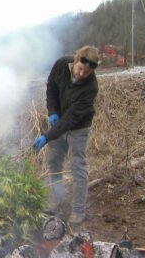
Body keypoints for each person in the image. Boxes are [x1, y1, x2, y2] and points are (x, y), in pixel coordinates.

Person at [33, 45, 99, 224]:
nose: (81, 75)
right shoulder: (61, 65)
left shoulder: (91, 87)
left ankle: (78, 210)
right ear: (75, 60)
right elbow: (51, 87)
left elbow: (70, 119)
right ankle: (57, 201)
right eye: (80, 69)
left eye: (87, 72)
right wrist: (53, 110)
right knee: (54, 162)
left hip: (78, 128)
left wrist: (47, 136)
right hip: (59, 123)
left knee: (78, 167)